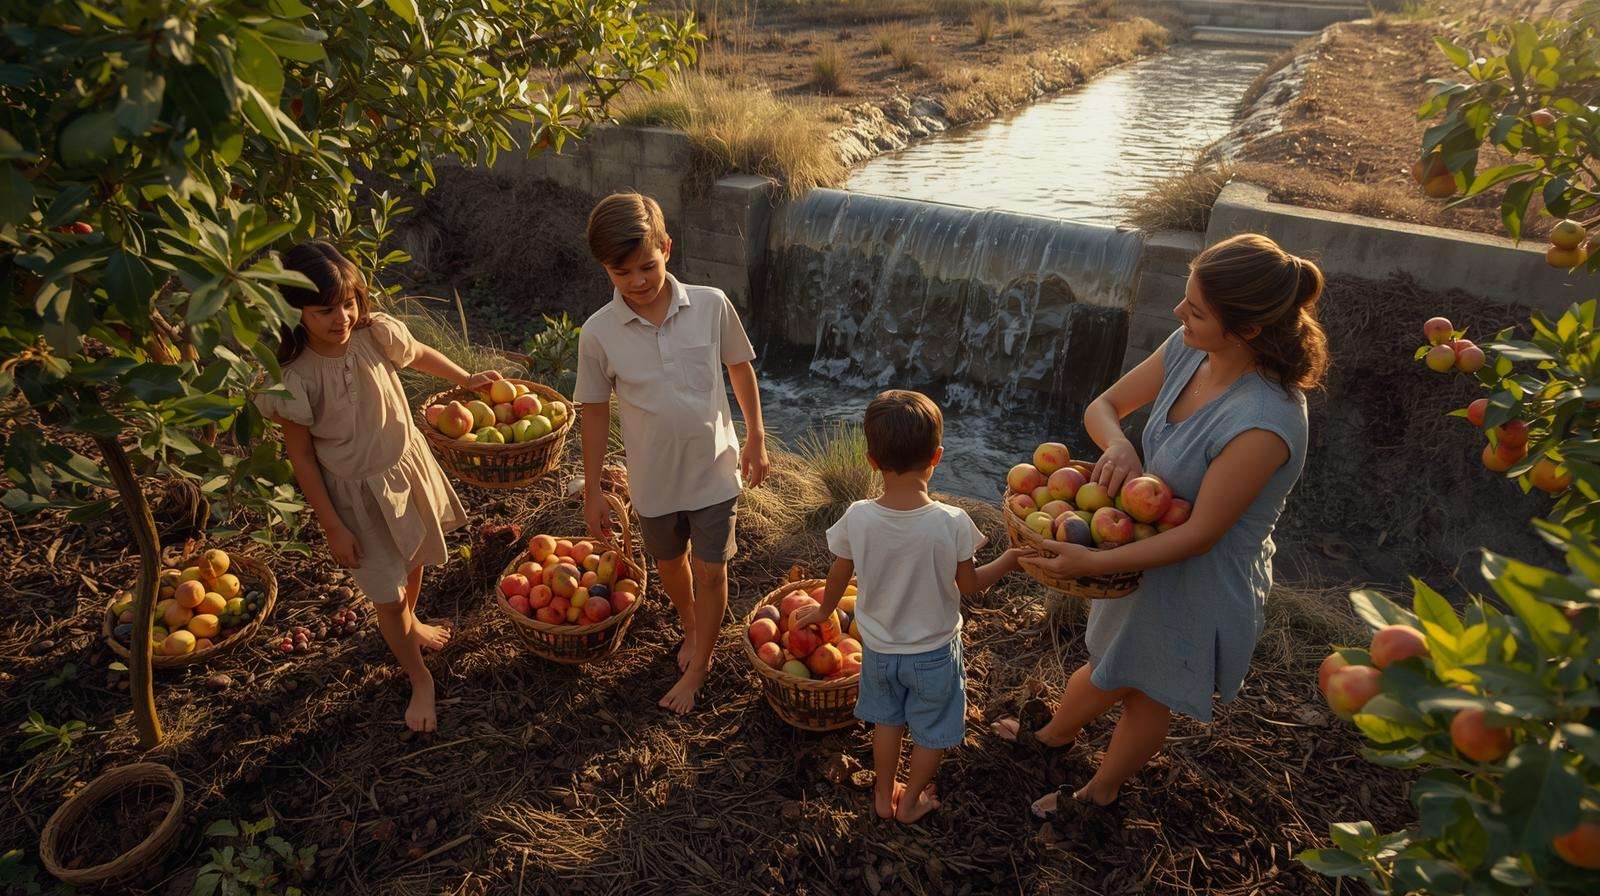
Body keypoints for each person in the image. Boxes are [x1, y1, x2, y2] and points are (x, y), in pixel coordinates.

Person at [991, 233, 1325, 817]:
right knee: (1116, 666)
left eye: (1195, 310)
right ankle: (1050, 739)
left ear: (1247, 330)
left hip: (1199, 578)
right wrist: (1120, 445)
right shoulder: (1191, 348)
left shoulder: (1264, 422)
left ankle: (1098, 792)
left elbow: (1199, 535)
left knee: (1142, 687)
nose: (1179, 313)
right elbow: (1103, 407)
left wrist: (1092, 561)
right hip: (1143, 547)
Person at [257, 240, 502, 733]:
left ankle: (412, 623)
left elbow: (421, 354)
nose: (341, 317)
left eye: (347, 303)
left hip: (404, 468)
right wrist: (332, 525)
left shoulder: (376, 335)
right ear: (294, 311)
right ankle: (419, 678)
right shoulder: (295, 378)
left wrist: (466, 377)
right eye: (324, 310)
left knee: (411, 558)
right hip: (356, 497)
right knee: (386, 595)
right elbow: (301, 457)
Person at [574, 192, 770, 714]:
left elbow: (739, 368)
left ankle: (702, 663)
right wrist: (592, 490)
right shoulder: (598, 333)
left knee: (712, 570)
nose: (637, 281)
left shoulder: (710, 304)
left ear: (667, 246)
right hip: (654, 480)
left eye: (648, 266)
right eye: (623, 273)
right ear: (605, 269)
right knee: (669, 563)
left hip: (714, 471)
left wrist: (755, 435)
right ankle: (688, 621)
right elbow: (593, 413)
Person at [795, 390, 1025, 823]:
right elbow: (971, 585)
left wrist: (825, 611)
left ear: (871, 461)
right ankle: (912, 799)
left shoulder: (859, 516)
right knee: (931, 731)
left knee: (888, 723)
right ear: (937, 456)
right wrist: (1010, 559)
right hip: (933, 653)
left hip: (879, 650)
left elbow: (839, 575)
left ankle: (883, 795)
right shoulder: (952, 521)